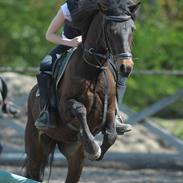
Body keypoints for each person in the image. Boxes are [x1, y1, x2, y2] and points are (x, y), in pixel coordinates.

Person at [35, 0, 132, 134]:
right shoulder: (68, 7)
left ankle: (115, 115)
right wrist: (70, 42)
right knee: (45, 64)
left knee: (121, 72)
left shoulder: (103, 6)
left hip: (95, 51)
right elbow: (49, 35)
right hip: (68, 46)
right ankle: (46, 111)